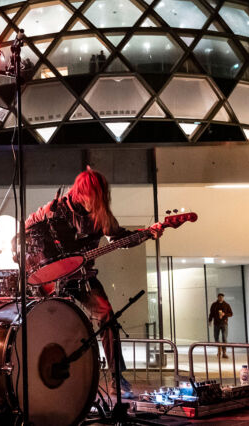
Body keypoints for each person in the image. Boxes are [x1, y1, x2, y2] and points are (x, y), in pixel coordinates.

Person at [25, 167, 162, 399]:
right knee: (50, 324)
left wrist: (148, 233)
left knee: (107, 316)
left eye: (100, 197)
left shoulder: (101, 215)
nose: (96, 202)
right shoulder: (54, 209)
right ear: (80, 193)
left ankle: (117, 377)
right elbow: (27, 230)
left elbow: (121, 239)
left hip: (83, 278)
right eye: (92, 197)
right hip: (51, 280)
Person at [208, 293, 233, 358]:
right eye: (219, 297)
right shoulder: (214, 305)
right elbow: (211, 313)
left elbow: (231, 313)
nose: (221, 298)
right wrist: (210, 320)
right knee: (216, 337)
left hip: (224, 323)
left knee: (224, 338)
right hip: (216, 323)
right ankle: (219, 350)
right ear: (217, 297)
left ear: (223, 297)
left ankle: (224, 352)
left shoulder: (226, 305)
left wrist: (224, 314)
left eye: (222, 297)